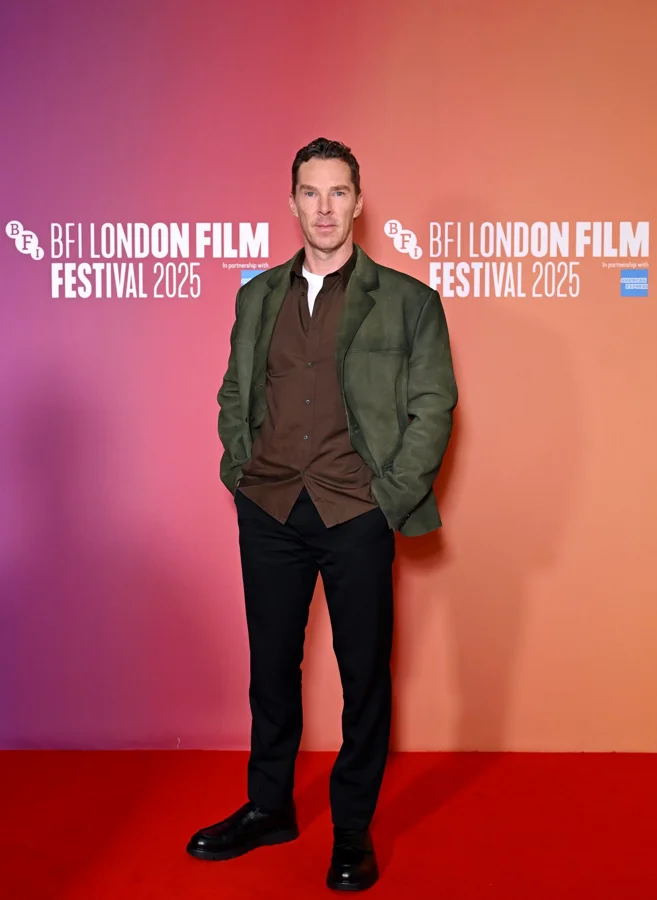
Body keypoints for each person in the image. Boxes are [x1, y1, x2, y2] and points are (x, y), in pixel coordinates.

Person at [187, 137, 458, 891]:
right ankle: (268, 808)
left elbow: (433, 406)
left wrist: (388, 496)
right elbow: (235, 391)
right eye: (311, 192)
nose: (325, 207)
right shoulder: (257, 297)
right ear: (292, 203)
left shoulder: (408, 301)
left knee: (363, 675)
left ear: (359, 202)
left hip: (355, 513)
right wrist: (239, 469)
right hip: (269, 507)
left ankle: (352, 831)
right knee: (271, 669)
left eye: (338, 192)